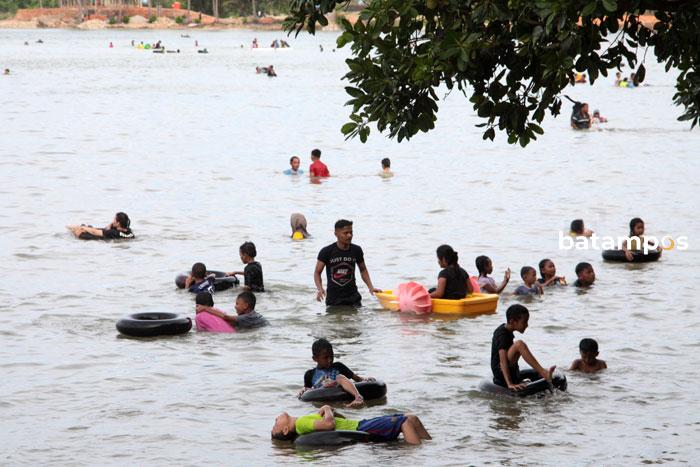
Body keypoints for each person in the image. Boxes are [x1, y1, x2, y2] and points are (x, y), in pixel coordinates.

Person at [271, 405, 431, 444]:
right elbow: (329, 425)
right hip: (360, 428)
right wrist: (326, 408)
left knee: (412, 418)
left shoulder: (303, 422)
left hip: (359, 424)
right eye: (274, 425)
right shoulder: (301, 423)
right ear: (285, 430)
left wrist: (331, 411)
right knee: (405, 422)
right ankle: (415, 454)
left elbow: (335, 421)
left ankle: (428, 447)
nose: (275, 420)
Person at [315, 219, 381, 307]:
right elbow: (317, 273)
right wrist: (320, 289)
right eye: (345, 233)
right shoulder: (327, 251)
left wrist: (371, 287)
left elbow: (363, 269)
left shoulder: (356, 250)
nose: (349, 235)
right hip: (334, 300)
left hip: (353, 298)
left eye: (351, 232)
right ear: (336, 234)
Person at [491, 304, 555, 390]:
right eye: (524, 322)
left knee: (519, 345)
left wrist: (517, 379)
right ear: (512, 322)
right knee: (519, 344)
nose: (527, 325)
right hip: (501, 373)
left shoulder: (508, 331)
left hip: (511, 371)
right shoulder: (501, 334)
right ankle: (544, 373)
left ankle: (542, 372)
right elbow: (502, 361)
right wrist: (510, 384)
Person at [300, 338, 373, 408]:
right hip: (324, 398)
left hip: (338, 392)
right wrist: (304, 389)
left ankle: (358, 397)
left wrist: (365, 379)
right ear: (315, 358)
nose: (330, 360)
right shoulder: (309, 374)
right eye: (325, 357)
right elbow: (307, 394)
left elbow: (357, 379)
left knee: (339, 377)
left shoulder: (338, 366)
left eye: (332, 356)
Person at [66, 212, 134, 240]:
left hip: (101, 238)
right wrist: (112, 224)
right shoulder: (129, 231)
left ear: (118, 223)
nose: (113, 220)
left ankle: (68, 227)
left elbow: (95, 232)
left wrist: (82, 227)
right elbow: (106, 229)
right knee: (88, 227)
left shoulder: (113, 232)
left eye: (114, 219)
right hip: (110, 236)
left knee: (79, 230)